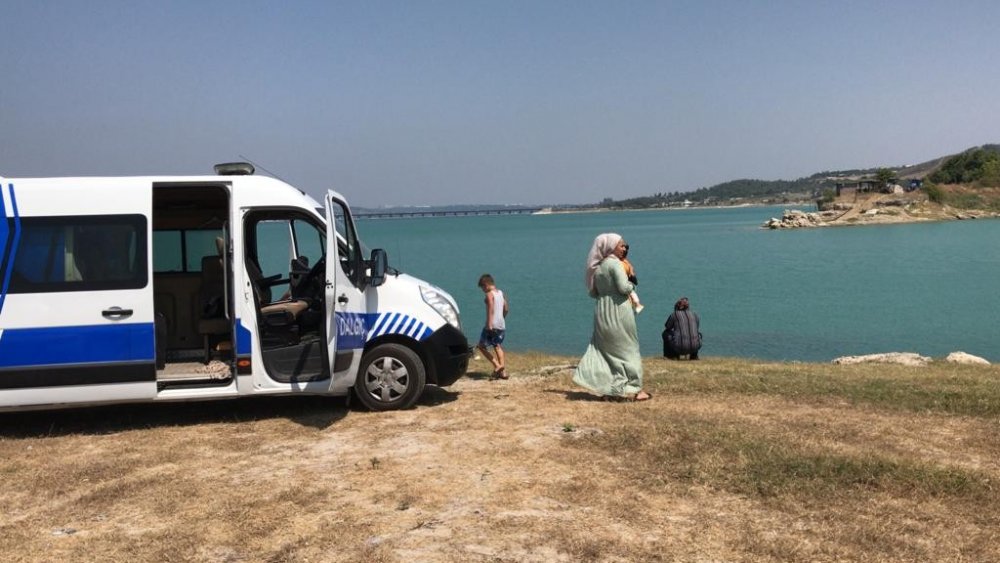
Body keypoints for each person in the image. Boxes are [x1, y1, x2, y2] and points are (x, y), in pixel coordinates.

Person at [573, 233, 651, 401]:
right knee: (628, 348)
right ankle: (635, 389)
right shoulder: (615, 265)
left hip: (602, 310)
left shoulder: (598, 267)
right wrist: (632, 285)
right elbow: (623, 287)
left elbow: (593, 293)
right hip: (619, 310)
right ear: (611, 247)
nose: (625, 248)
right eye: (621, 245)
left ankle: (611, 389)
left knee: (607, 351)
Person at [476, 274, 509, 379]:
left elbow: (490, 308)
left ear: (486, 285)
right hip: (501, 324)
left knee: (481, 346)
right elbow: (506, 308)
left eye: (482, 288)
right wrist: (502, 318)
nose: (483, 291)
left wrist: (489, 324)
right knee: (497, 346)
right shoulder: (501, 293)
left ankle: (497, 366)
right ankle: (503, 372)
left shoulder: (489, 294)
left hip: (492, 324)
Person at [620, 243, 643, 313]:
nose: (624, 250)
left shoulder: (625, 263)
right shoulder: (626, 263)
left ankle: (637, 304)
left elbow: (634, 282)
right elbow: (634, 282)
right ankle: (637, 304)